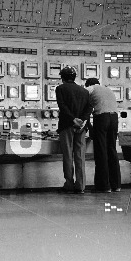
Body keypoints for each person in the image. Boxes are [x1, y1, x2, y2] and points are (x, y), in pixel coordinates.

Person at [55, 66, 92, 194]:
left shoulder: (60, 88)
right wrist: (81, 120)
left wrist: (73, 120)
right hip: (81, 127)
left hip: (67, 125)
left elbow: (63, 107)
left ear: (63, 77)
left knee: (68, 155)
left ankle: (69, 184)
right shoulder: (84, 91)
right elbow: (89, 108)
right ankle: (81, 186)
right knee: (80, 155)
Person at [84, 78, 120, 193]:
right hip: (114, 119)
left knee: (101, 152)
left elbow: (86, 109)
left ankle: (103, 186)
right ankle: (116, 185)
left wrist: (88, 127)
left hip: (101, 118)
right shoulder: (108, 90)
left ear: (88, 84)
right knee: (112, 150)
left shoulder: (90, 88)